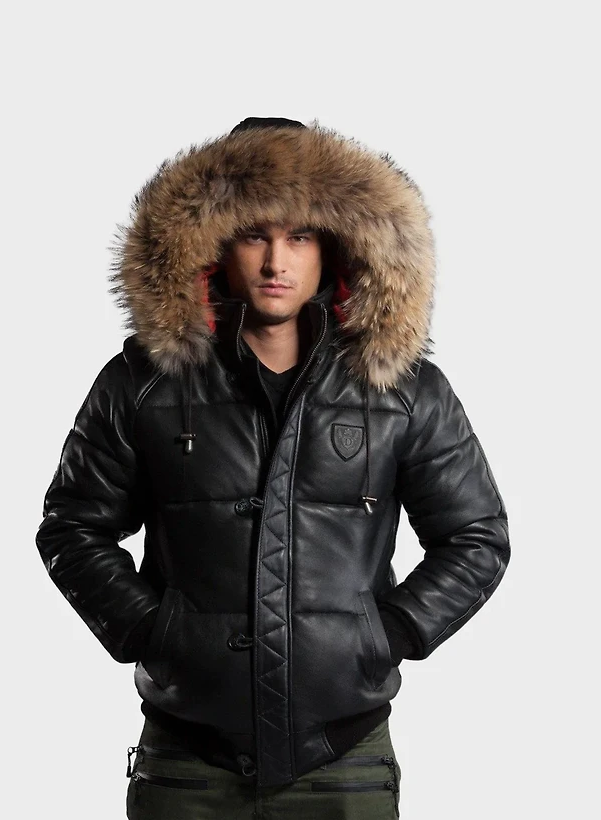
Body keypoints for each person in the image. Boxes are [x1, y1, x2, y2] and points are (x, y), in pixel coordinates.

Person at [35, 117, 511, 819]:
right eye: (254, 234)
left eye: (301, 236)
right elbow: (73, 527)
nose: (275, 261)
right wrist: (151, 632)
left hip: (345, 759)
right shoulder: (144, 380)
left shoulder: (402, 389)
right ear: (214, 244)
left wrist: (389, 635)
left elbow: (476, 537)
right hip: (186, 759)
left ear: (338, 246)